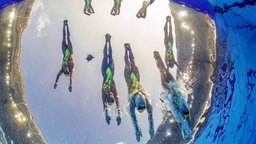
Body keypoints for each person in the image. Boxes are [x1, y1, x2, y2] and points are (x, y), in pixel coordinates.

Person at [153, 51, 191, 142]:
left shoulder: (183, 115)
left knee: (163, 71)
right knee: (163, 72)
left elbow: (176, 108)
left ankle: (158, 58)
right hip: (172, 89)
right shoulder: (181, 117)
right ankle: (158, 57)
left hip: (173, 88)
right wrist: (166, 98)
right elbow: (175, 110)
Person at [124, 43, 154, 142]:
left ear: (136, 105)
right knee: (132, 62)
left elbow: (134, 120)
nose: (141, 103)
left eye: (139, 105)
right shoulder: (148, 104)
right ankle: (130, 48)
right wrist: (151, 129)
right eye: (143, 105)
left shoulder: (132, 105)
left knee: (127, 64)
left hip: (129, 82)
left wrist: (136, 130)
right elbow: (150, 118)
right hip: (137, 79)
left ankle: (125, 49)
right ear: (144, 104)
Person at [101, 33, 122, 125]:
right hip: (111, 72)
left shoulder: (104, 94)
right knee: (111, 56)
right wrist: (119, 116)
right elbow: (118, 105)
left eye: (109, 99)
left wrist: (107, 116)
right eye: (111, 98)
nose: (110, 96)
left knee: (106, 55)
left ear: (106, 99)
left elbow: (104, 106)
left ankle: (106, 40)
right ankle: (109, 40)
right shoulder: (114, 91)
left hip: (104, 72)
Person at [54, 20, 75, 92]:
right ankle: (67, 24)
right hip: (70, 51)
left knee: (63, 38)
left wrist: (56, 82)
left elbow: (58, 75)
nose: (66, 69)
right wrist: (70, 84)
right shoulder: (71, 69)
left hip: (64, 51)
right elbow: (71, 77)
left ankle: (64, 24)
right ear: (68, 71)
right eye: (67, 71)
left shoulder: (62, 69)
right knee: (68, 38)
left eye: (65, 71)